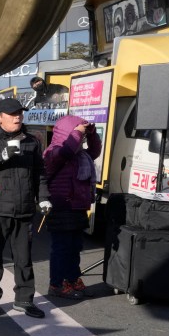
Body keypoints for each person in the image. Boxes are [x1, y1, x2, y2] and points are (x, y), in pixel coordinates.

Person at [0, 98, 50, 318]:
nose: (18, 117)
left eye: (20, 113)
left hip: (23, 210)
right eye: (12, 114)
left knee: (24, 260)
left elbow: (39, 173)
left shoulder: (31, 141)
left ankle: (24, 300)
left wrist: (43, 197)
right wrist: (2, 156)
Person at [42, 115, 101, 299]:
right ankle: (56, 284)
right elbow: (66, 152)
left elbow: (95, 151)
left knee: (75, 246)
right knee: (62, 247)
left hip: (77, 206)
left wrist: (91, 134)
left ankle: (72, 279)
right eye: (77, 132)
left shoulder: (81, 154)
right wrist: (77, 131)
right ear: (66, 132)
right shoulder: (53, 152)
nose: (81, 137)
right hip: (61, 205)